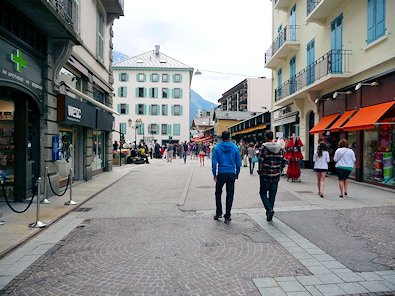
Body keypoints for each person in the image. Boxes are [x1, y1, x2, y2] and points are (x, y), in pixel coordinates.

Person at [212, 131, 241, 224]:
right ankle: (227, 215)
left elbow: (213, 163)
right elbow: (238, 162)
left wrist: (214, 174)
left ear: (222, 137)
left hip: (221, 173)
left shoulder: (217, 148)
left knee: (218, 193)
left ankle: (218, 212)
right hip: (231, 173)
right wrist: (237, 173)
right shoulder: (235, 147)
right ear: (229, 137)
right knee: (230, 194)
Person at [257, 130, 285, 222]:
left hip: (266, 175)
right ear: (272, 137)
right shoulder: (280, 148)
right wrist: (280, 170)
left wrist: (260, 171)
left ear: (265, 137)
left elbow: (260, 161)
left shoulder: (263, 148)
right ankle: (270, 212)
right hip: (276, 175)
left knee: (263, 193)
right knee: (272, 195)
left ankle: (269, 210)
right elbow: (283, 161)